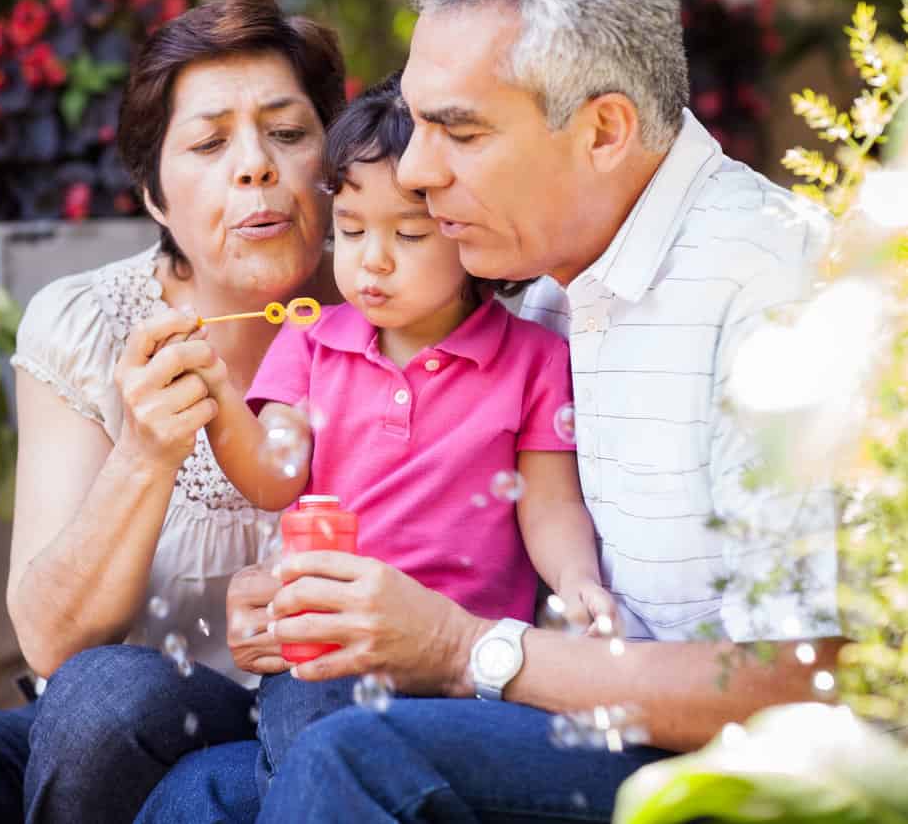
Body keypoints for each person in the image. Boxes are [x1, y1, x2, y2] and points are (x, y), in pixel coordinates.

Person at [140, 0, 842, 822]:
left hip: (719, 770)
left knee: (354, 760)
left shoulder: (775, 298)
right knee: (197, 793)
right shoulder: (535, 274)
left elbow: (814, 686)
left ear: (603, 131)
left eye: (459, 133)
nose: (420, 172)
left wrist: (464, 646)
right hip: (568, 712)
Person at [0, 0, 345, 824]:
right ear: (154, 195)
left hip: (286, 729)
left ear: (333, 159)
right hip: (87, 745)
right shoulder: (88, 321)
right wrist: (145, 455)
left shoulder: (395, 313)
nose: (255, 165)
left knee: (109, 693)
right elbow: (50, 640)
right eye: (207, 142)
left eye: (289, 132)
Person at [200, 74, 616, 793]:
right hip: (332, 646)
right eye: (352, 231)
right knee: (312, 730)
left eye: (409, 234)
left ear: (465, 228)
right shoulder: (311, 342)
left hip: (461, 660)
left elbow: (548, 504)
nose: (373, 260)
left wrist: (578, 579)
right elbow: (274, 471)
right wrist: (212, 396)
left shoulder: (534, 360)